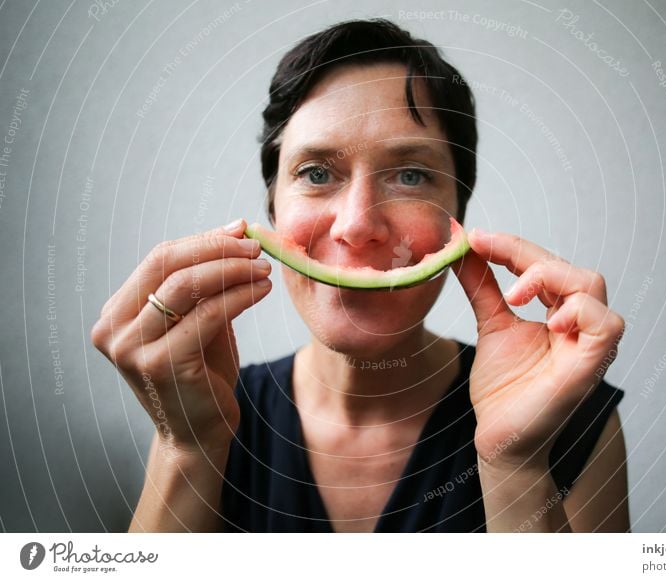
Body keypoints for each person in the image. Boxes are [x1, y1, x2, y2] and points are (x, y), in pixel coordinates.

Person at [91, 19, 629, 533]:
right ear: (273, 211)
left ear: (456, 220)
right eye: (317, 173)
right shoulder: (207, 407)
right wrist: (186, 445)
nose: (357, 226)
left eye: (410, 175)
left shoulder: (566, 415)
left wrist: (520, 464)